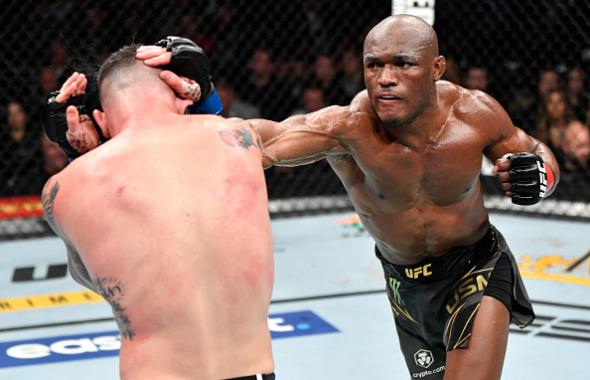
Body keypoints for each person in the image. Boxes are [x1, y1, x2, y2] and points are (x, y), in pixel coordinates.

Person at [59, 16, 560, 379]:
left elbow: (534, 152)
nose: (385, 78)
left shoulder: (476, 115)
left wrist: (543, 174)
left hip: (476, 265)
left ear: (436, 68)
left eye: (403, 64)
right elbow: (241, 147)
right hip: (405, 281)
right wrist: (193, 103)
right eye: (373, 65)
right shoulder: (347, 128)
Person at [41, 45, 275, 380]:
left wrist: (76, 155)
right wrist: (206, 96)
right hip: (250, 370)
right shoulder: (241, 139)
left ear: (102, 120)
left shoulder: (64, 189)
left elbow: (100, 279)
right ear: (182, 97)